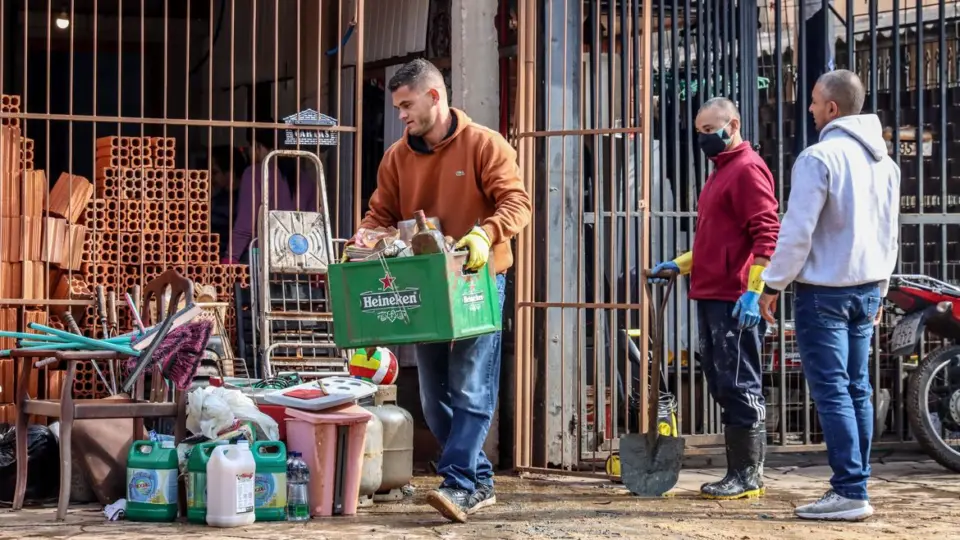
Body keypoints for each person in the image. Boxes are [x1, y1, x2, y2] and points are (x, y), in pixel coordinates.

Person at [353, 58, 531, 523]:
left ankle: (461, 483)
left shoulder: (484, 145)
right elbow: (380, 213)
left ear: (435, 96)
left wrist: (484, 234)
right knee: (434, 396)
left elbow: (517, 202)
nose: (401, 115)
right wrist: (365, 238)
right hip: (424, 282)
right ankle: (479, 478)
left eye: (407, 104)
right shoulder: (397, 156)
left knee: (471, 385)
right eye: (397, 107)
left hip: (477, 276)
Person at [759, 69, 900, 522]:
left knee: (834, 391)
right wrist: (880, 288)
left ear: (832, 108)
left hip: (824, 295)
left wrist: (772, 283)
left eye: (816, 102)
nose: (812, 108)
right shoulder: (886, 163)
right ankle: (855, 485)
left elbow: (796, 232)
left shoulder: (818, 158)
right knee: (856, 388)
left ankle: (849, 490)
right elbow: (889, 233)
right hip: (867, 289)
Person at [646, 97, 780, 500]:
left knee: (740, 384)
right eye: (699, 132)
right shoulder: (721, 172)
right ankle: (739, 472)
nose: (703, 139)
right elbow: (717, 240)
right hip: (711, 293)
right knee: (724, 382)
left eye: (710, 130)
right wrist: (681, 264)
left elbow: (767, 235)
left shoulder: (747, 170)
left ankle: (747, 475)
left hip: (734, 298)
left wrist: (755, 293)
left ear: (733, 124)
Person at [227, 123, 318, 263]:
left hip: (263, 257)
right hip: (299, 257)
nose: (249, 151)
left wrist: (231, 257)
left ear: (259, 146)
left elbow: (246, 224)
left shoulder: (255, 173)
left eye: (251, 146)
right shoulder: (305, 179)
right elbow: (314, 223)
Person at [208, 145, 248, 262]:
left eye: (215, 173)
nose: (210, 177)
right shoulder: (218, 197)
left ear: (231, 173)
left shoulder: (242, 201)